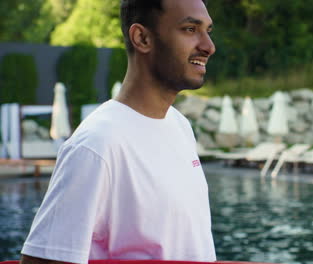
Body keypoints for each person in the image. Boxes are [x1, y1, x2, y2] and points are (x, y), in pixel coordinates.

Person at [20, 0, 216, 263]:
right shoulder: (97, 145)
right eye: (190, 29)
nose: (208, 46)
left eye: (207, 31)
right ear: (142, 38)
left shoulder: (179, 126)